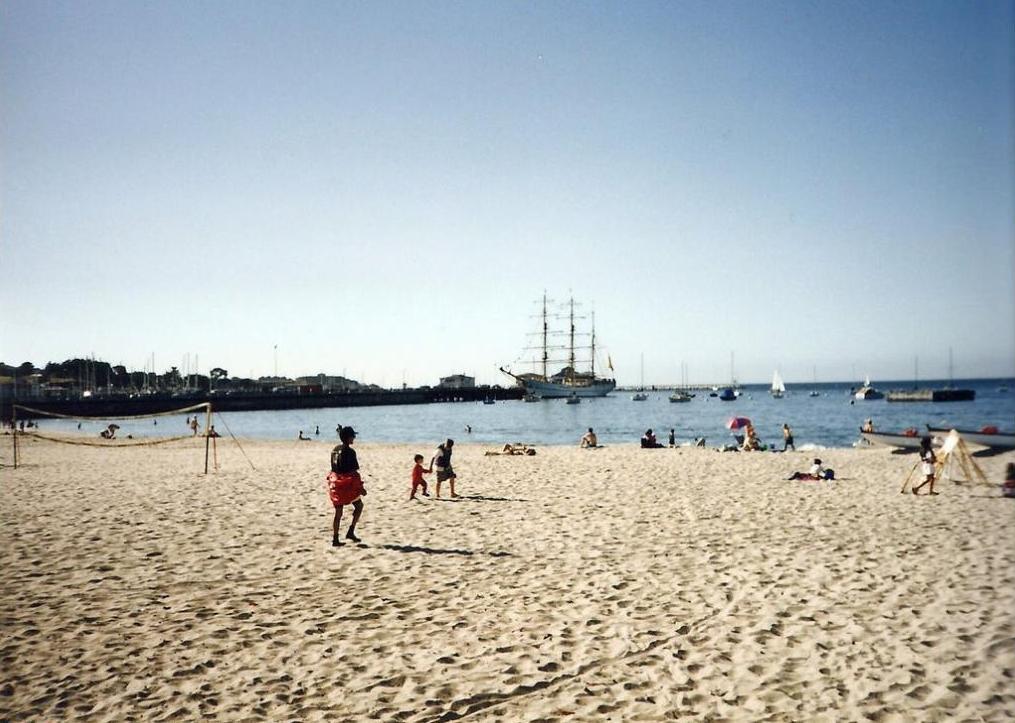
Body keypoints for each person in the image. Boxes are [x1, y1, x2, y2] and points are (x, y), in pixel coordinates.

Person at [327, 426, 366, 545]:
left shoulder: (335, 449)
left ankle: (335, 539)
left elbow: (333, 468)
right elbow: (353, 473)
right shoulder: (350, 452)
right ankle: (351, 531)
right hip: (346, 485)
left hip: (335, 484)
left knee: (338, 513)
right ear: (348, 438)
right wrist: (361, 488)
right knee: (359, 506)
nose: (354, 438)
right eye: (353, 436)